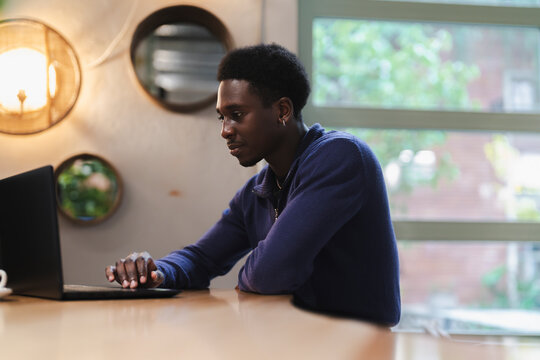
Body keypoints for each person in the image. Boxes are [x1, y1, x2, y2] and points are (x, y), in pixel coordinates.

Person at [105, 44, 400, 326]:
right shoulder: (257, 190)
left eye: (237, 115)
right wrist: (156, 272)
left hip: (359, 345)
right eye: (222, 117)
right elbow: (202, 258)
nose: (225, 131)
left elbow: (271, 273)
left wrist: (254, 273)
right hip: (294, 341)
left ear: (282, 111)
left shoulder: (340, 157)